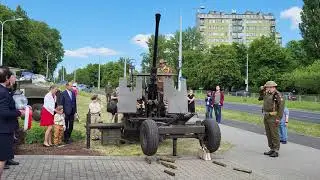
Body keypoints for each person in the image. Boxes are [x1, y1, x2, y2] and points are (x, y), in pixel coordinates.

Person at [0, 66, 24, 178]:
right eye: (11, 77)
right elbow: (4, 112)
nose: (12, 79)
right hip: (3, 130)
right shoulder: (3, 92)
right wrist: (19, 113)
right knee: (1, 160)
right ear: (6, 78)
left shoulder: (4, 90)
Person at [258, 81, 285, 158]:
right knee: (268, 133)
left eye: (268, 87)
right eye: (266, 87)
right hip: (266, 115)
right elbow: (260, 98)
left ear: (273, 87)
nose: (266, 88)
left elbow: (281, 108)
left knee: (274, 134)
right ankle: (272, 148)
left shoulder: (278, 95)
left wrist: (278, 118)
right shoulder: (267, 93)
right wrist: (262, 89)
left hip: (274, 116)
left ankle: (276, 150)